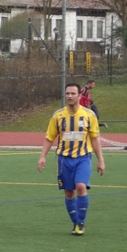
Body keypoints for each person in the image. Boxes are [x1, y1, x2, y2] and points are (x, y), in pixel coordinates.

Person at [37, 83, 106, 236]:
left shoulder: (89, 115)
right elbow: (49, 138)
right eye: (67, 93)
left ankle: (81, 222)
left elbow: (95, 139)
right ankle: (76, 223)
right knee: (69, 193)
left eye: (73, 93)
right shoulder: (58, 115)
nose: (69, 96)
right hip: (63, 159)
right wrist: (42, 156)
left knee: (80, 186)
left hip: (83, 157)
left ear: (79, 96)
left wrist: (100, 160)